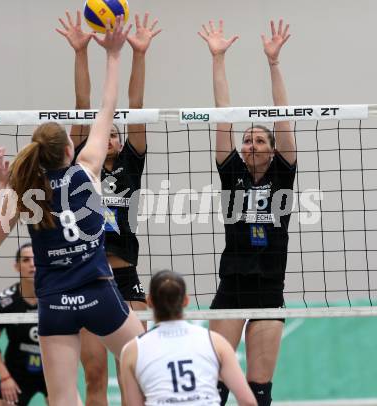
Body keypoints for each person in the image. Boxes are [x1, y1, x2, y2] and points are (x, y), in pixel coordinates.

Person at [0, 16, 144, 406]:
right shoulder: (87, 170)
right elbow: (108, 106)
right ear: (69, 149)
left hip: (54, 303)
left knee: (61, 398)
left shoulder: (23, 190)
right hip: (98, 293)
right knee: (146, 362)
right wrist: (114, 54)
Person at [56, 10, 161, 405]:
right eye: (108, 133)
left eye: (117, 134)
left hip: (126, 273)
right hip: (87, 275)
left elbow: (136, 104)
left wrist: (140, 54)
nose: (113, 138)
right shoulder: (80, 168)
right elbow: (83, 106)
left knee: (134, 370)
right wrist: (81, 53)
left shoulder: (132, 163)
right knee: (95, 373)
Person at [198, 19, 296, 406]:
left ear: (272, 150)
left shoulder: (283, 176)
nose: (251, 144)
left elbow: (285, 118)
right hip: (232, 286)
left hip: (271, 289)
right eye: (247, 140)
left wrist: (273, 64)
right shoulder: (232, 174)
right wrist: (218, 59)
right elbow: (224, 112)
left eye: (259, 140)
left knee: (257, 393)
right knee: (213, 388)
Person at [120, 270, 257, 406]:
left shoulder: (132, 350)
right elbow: (248, 402)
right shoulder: (216, 342)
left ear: (149, 301)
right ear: (186, 300)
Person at [0, 243, 50, 406]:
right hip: (17, 374)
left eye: (36, 260)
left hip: (52, 371)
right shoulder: (4, 302)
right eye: (26, 260)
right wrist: (5, 377)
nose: (32, 265)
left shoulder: (56, 298)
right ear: (17, 266)